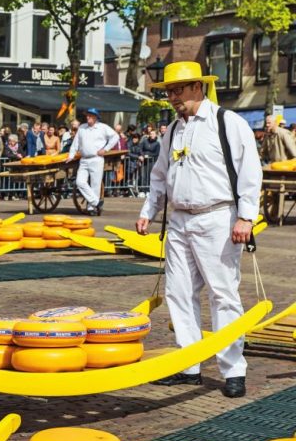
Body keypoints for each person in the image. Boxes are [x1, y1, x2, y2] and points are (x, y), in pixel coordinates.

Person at [135, 61, 262, 398]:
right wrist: (149, 210)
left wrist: (246, 217)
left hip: (217, 216)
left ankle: (233, 368)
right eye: (168, 91)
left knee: (223, 294)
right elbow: (160, 175)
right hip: (179, 220)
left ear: (197, 87)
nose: (172, 96)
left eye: (178, 89)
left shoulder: (227, 122)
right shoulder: (174, 130)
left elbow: (250, 171)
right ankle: (189, 364)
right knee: (178, 292)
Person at [66, 108, 118, 215]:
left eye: (90, 115)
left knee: (95, 184)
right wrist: (71, 156)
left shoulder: (103, 127)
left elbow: (115, 137)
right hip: (84, 159)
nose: (87, 117)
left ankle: (91, 208)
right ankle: (96, 202)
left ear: (95, 117)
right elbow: (75, 143)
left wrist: (106, 149)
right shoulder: (82, 127)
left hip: (96, 159)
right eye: (87, 115)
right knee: (80, 182)